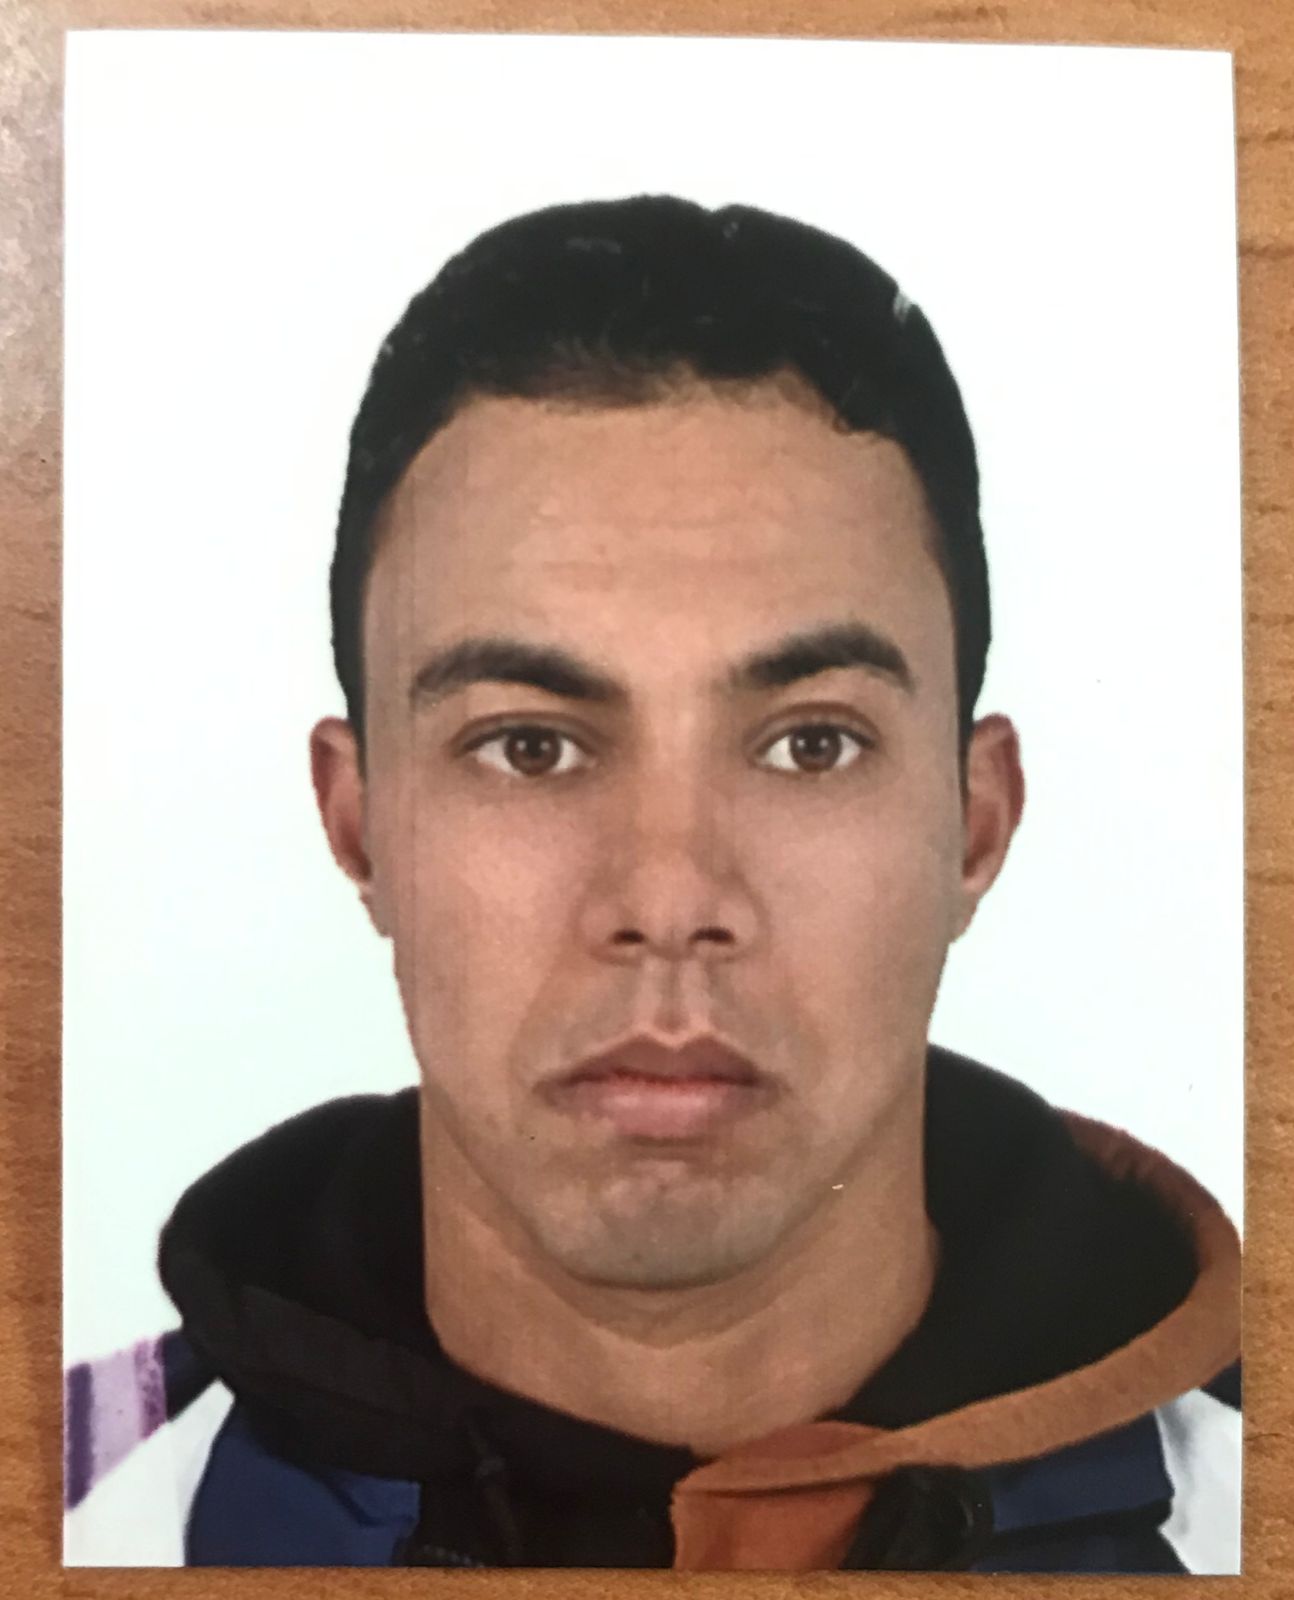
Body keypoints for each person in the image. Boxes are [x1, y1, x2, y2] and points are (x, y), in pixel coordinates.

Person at [63, 195, 1240, 1572]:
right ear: (360, 823)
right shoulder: (62, 1512)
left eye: (810, 744)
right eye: (529, 746)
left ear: (973, 825)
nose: (670, 898)